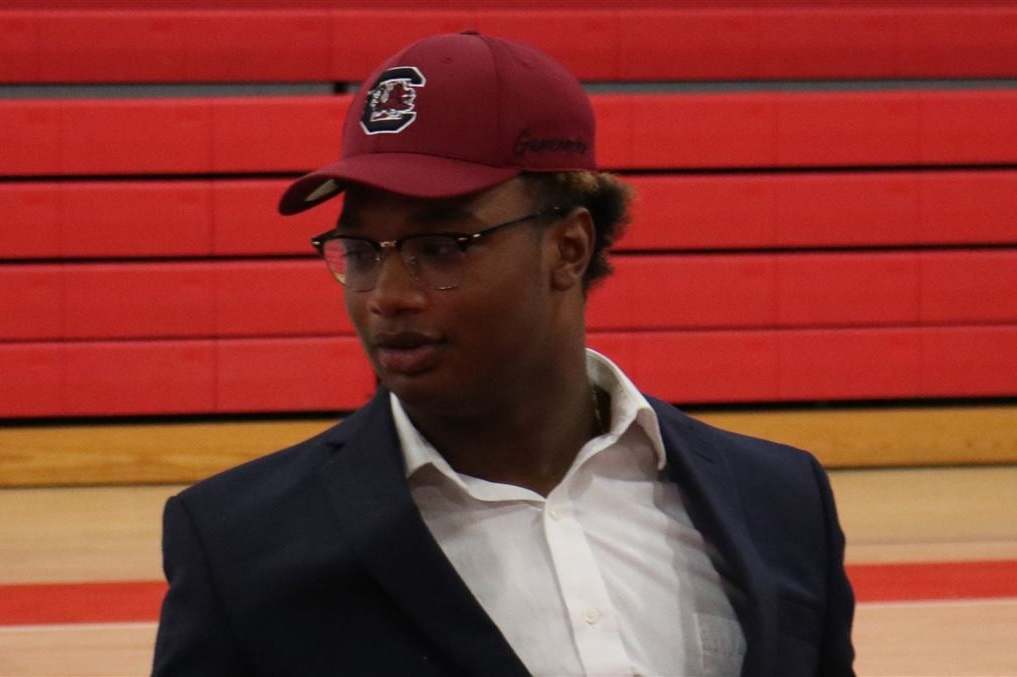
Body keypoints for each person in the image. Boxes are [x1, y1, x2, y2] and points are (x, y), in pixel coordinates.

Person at [153, 31, 855, 677]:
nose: (386, 295)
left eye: (440, 247)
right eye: (361, 252)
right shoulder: (239, 546)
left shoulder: (779, 500)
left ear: (568, 248)